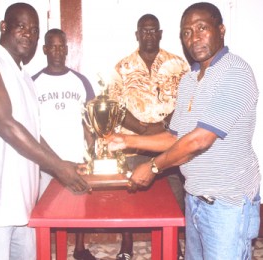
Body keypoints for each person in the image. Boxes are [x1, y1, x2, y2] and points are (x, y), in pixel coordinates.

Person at [108, 2, 260, 260]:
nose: (194, 37)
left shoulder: (235, 72)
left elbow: (200, 140)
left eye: (202, 28)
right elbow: (174, 137)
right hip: (196, 199)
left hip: (227, 204)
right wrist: (126, 140)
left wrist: (153, 167)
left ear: (221, 29)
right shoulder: (190, 79)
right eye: (187, 32)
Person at [0, 3, 90, 260]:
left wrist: (63, 163)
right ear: (4, 27)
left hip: (23, 204)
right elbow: (6, 126)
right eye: (21, 26)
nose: (28, 35)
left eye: (34, 30)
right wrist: (57, 167)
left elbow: (33, 132)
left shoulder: (23, 76)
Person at [108, 13, 189, 259]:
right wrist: (143, 130)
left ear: (161, 34)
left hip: (171, 143)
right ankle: (126, 245)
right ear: (137, 34)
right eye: (144, 31)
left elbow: (187, 102)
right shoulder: (123, 67)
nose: (149, 35)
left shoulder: (178, 64)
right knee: (130, 195)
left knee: (175, 196)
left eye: (153, 30)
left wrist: (164, 125)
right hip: (133, 144)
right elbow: (115, 106)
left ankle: (173, 244)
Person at [32, 28, 96, 260]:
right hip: (45, 160)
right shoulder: (33, 83)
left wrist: (92, 151)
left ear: (67, 50)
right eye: (53, 46)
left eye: (62, 46)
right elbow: (30, 125)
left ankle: (79, 247)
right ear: (45, 49)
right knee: (42, 208)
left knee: (79, 205)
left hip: (75, 155)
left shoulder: (80, 81)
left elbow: (89, 121)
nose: (57, 51)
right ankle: (43, 250)